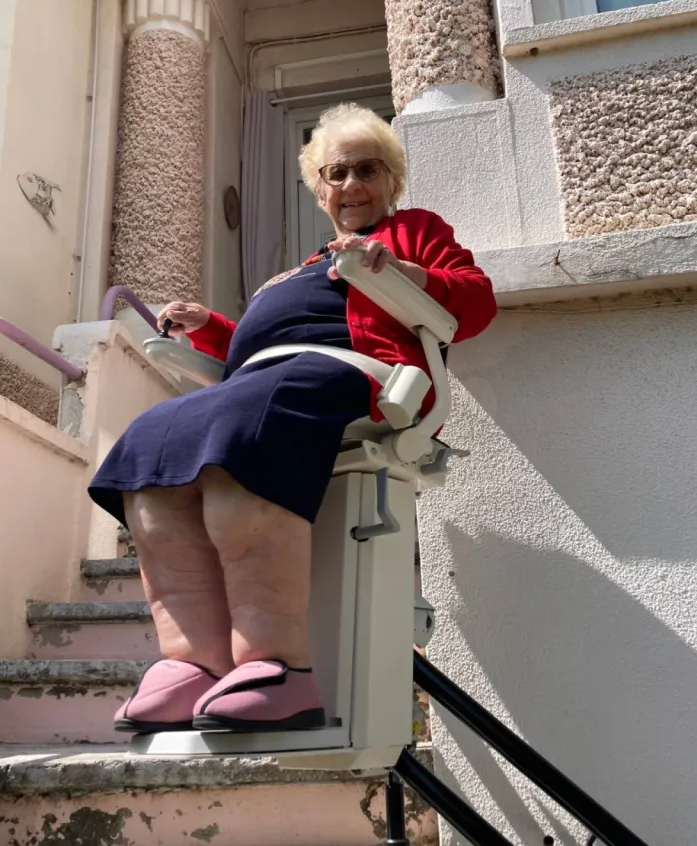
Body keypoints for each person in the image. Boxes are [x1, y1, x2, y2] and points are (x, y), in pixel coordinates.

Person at [89, 103, 497, 735]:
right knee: (152, 441)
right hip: (269, 378)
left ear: (392, 181)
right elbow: (268, 343)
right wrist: (212, 329)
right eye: (336, 174)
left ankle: (277, 668)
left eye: (367, 170)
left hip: (357, 373)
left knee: (243, 439)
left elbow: (476, 299)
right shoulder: (307, 261)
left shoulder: (412, 230)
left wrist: (406, 272)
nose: (351, 185)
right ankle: (192, 664)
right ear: (319, 189)